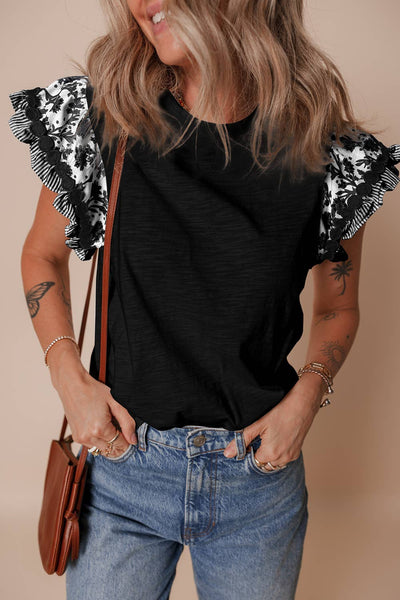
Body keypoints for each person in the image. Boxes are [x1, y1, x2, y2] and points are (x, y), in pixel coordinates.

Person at [8, 1, 399, 599]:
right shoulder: (104, 118)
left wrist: (307, 398)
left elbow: (337, 307)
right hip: (122, 472)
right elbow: (41, 255)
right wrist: (68, 378)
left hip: (258, 481)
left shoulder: (329, 153)